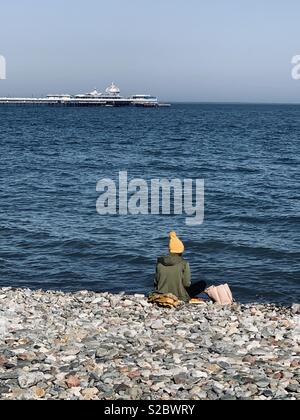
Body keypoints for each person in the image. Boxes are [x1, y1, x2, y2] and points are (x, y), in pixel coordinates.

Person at [154, 231, 207, 303]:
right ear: (181, 251)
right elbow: (186, 284)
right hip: (179, 296)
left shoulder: (159, 263)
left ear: (169, 250)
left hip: (161, 295)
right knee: (202, 283)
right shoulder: (184, 263)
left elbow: (156, 282)